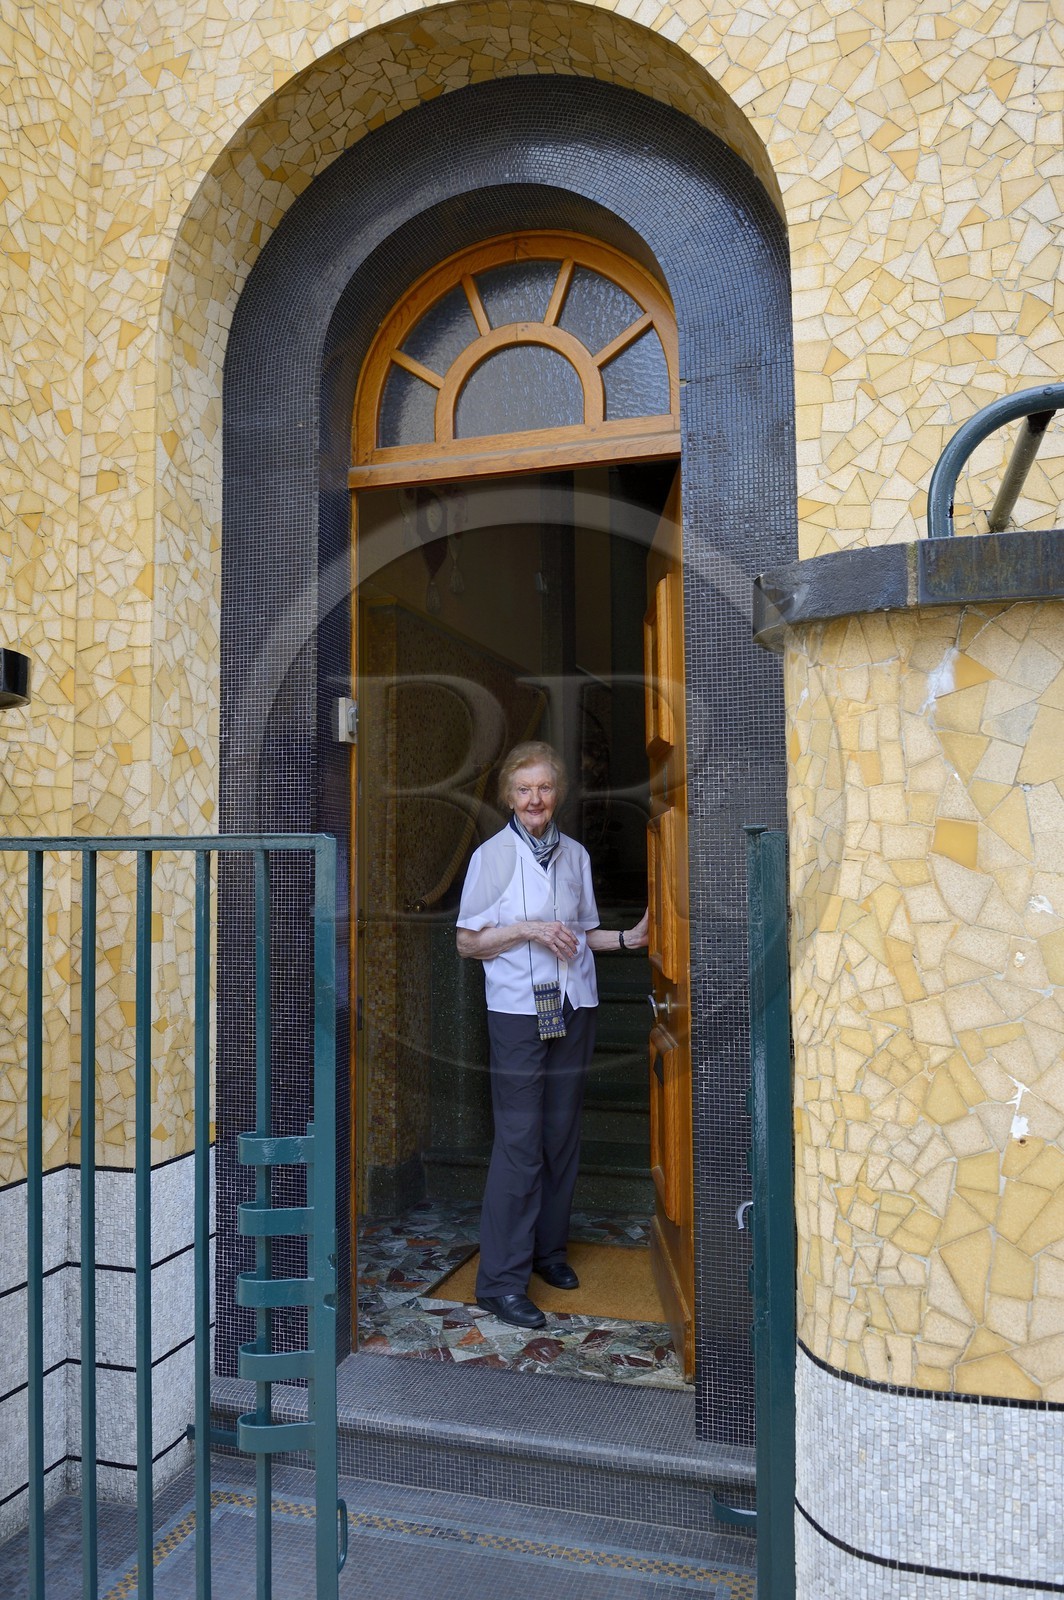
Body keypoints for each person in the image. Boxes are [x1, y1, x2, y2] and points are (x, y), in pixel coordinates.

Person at [456, 740, 648, 1330]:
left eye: (543, 787)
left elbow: (580, 934)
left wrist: (627, 940)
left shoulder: (576, 857)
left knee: (561, 1136)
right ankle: (500, 1282)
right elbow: (468, 942)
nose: (534, 798)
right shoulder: (491, 858)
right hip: (517, 1012)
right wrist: (529, 930)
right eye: (523, 789)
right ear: (509, 797)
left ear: (556, 793)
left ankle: (548, 1253)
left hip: (574, 1006)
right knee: (519, 1141)